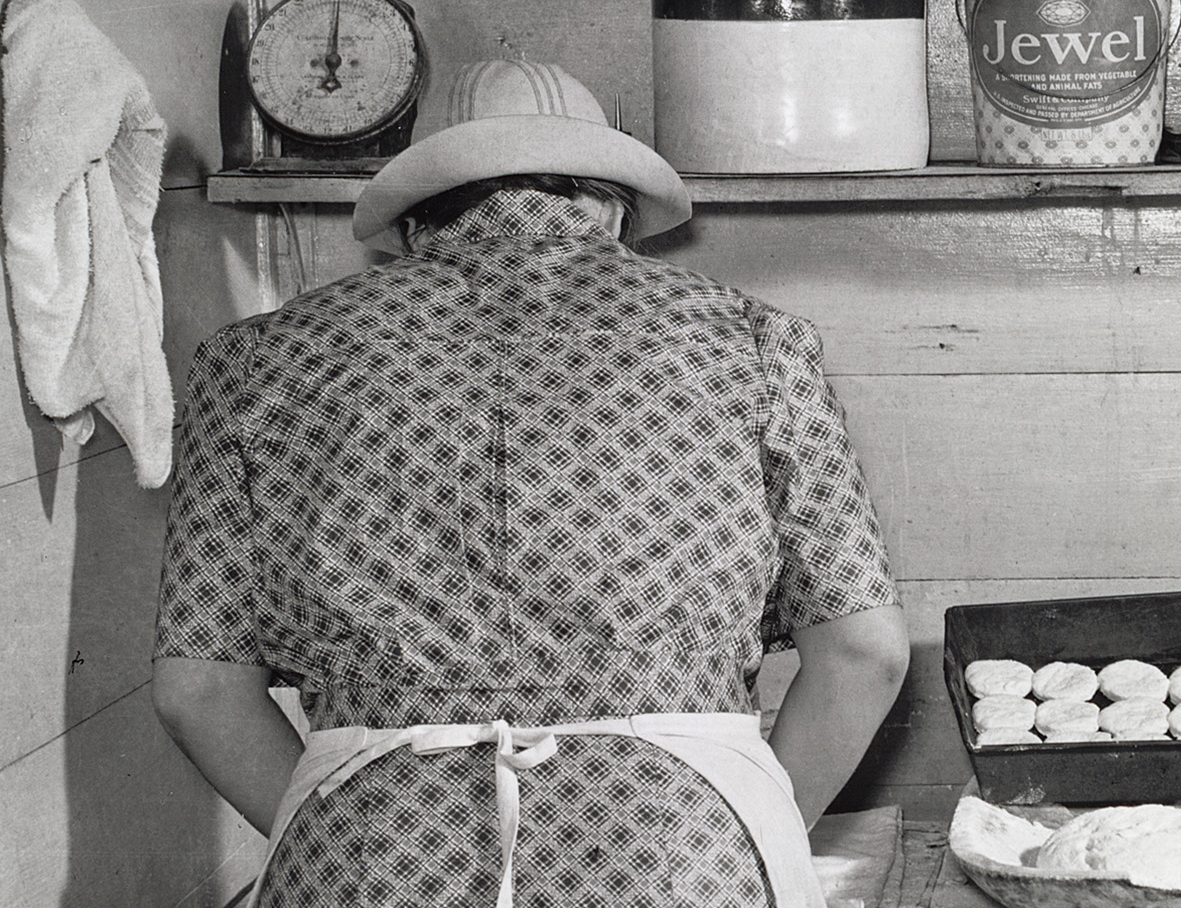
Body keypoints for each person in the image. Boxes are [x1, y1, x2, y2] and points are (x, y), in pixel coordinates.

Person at [151, 59, 909, 908]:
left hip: (364, 866)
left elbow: (198, 688)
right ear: (612, 205)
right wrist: (750, 822)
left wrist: (336, 814)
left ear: (413, 222)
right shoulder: (754, 343)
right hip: (678, 858)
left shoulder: (254, 362)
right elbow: (864, 653)